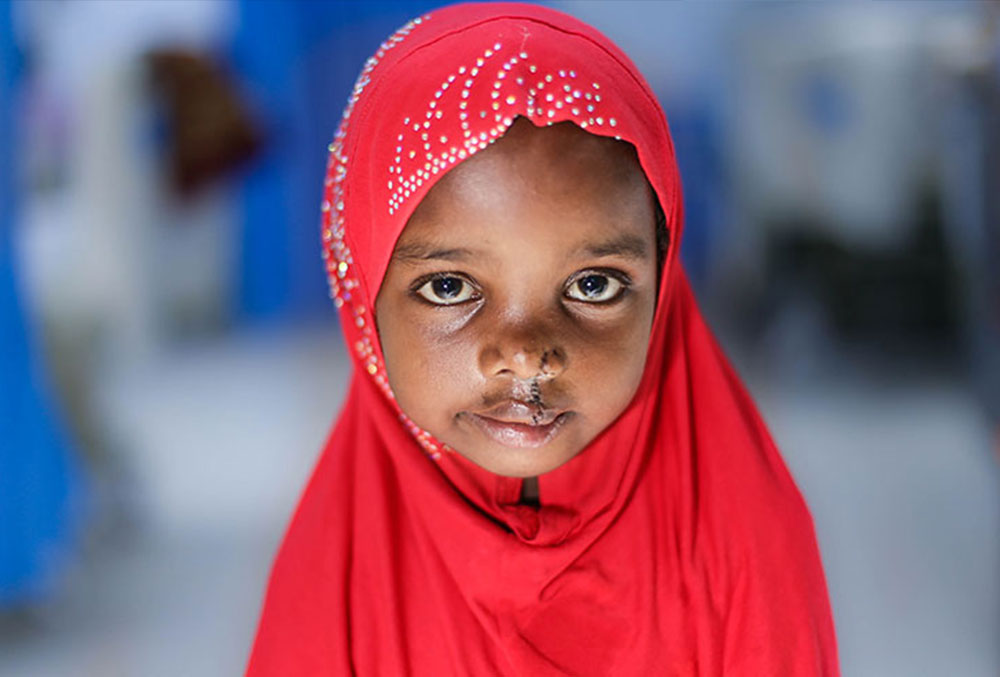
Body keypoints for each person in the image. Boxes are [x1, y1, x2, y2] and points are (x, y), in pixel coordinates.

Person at [246, 3, 839, 675]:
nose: (526, 352)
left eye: (593, 285)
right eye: (449, 288)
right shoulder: (336, 579)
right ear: (362, 292)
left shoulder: (745, 542)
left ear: (663, 278)